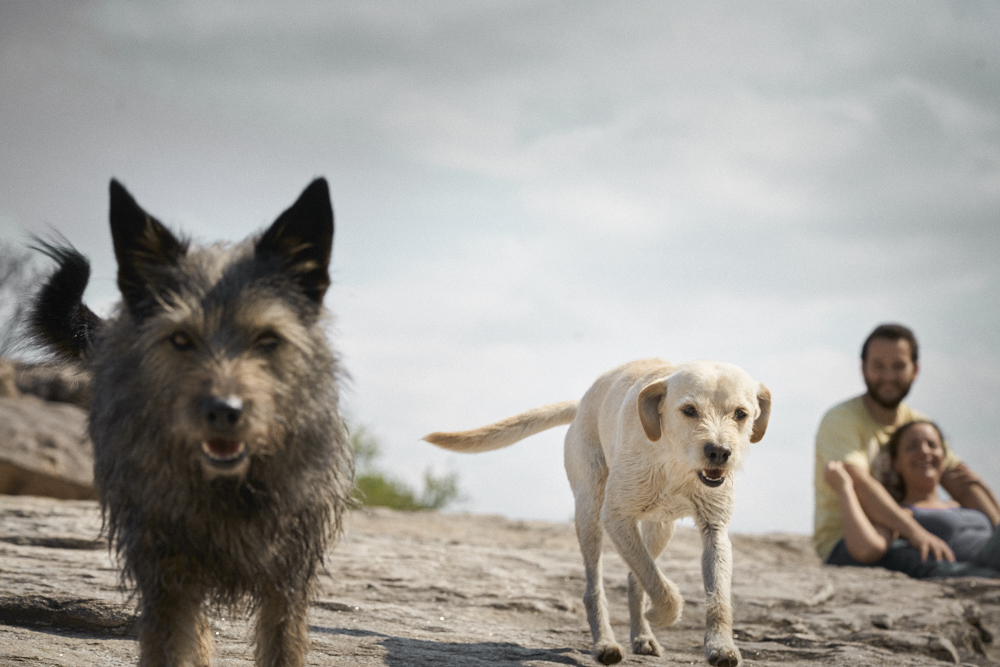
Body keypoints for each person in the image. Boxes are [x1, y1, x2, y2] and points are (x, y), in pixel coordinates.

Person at [813, 323, 1000, 576]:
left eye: (899, 366)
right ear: (863, 368)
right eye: (879, 366)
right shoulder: (842, 420)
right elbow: (858, 481)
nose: (888, 375)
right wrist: (916, 534)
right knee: (930, 560)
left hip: (905, 532)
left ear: (915, 370)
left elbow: (959, 480)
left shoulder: (917, 424)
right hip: (851, 541)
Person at [824, 420, 1000, 577]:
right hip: (978, 563)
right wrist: (845, 489)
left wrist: (984, 488)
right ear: (896, 463)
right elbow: (867, 549)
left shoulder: (960, 505)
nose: (924, 451)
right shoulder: (901, 514)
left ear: (945, 458)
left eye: (932, 445)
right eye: (912, 446)